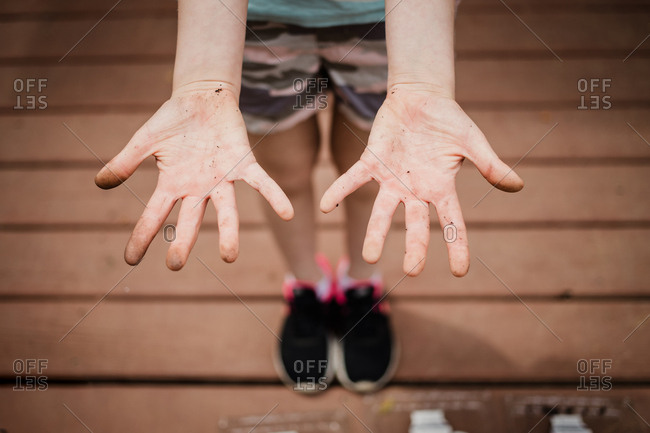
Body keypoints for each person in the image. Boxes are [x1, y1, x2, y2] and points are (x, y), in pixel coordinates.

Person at [94, 0, 524, 393]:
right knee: (283, 173)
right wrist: (204, 80)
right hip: (252, 20)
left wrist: (423, 85)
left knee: (377, 169)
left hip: (392, 21)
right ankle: (306, 286)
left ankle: (360, 285)